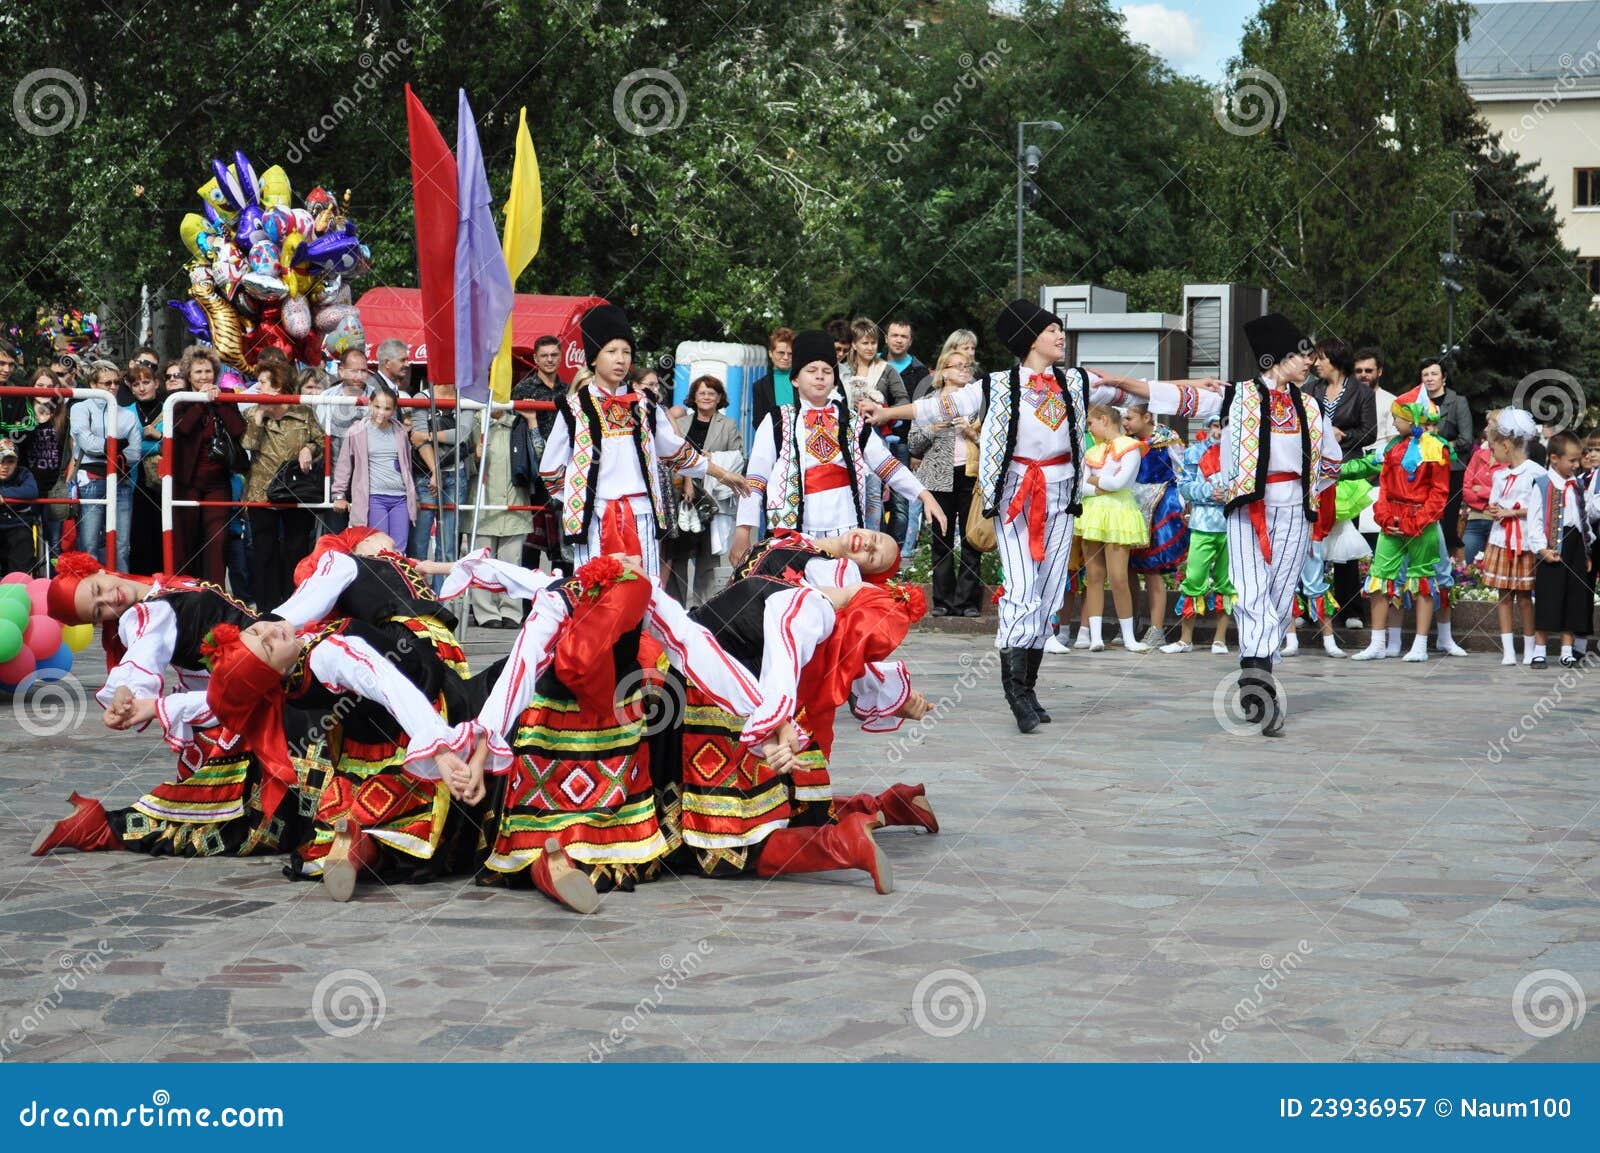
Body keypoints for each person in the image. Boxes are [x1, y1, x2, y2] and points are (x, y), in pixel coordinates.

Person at [863, 300, 1128, 734]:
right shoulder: (1000, 385)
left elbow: (1129, 390)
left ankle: (1030, 685)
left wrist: (1194, 388)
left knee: (1047, 595)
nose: (1061, 336)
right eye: (1052, 330)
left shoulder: (1075, 381)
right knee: (1022, 590)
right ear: (1030, 339)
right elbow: (938, 408)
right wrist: (888, 413)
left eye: (1061, 330)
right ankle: (1015, 694)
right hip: (1017, 497)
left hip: (1062, 498)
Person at [1109, 313, 1342, 738]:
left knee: (1277, 596)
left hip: (1294, 510)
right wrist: (1123, 383)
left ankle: (1257, 677)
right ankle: (1259, 691)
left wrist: (1309, 485)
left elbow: (1330, 462)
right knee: (1252, 594)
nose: (1309, 361)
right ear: (1275, 358)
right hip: (1248, 510)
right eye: (1300, 354)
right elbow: (1173, 399)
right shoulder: (1237, 398)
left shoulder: (1310, 406)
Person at [201, 616, 479, 901]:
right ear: (279, 671)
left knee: (371, 823)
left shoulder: (292, 671)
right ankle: (357, 847)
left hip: (366, 752)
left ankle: (353, 849)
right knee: (430, 825)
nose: (272, 631)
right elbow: (386, 681)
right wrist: (439, 748)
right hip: (416, 726)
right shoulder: (327, 654)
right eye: (269, 647)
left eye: (258, 628)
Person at [538, 304, 748, 580]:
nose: (620, 359)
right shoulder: (573, 408)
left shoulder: (645, 405)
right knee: (594, 595)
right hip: (595, 520)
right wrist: (580, 500)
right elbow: (551, 471)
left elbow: (677, 452)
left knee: (642, 592)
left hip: (643, 517)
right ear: (592, 359)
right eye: (611, 351)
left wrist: (722, 473)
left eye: (626, 352)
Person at [730, 329, 943, 570]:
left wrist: (923, 494)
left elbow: (886, 464)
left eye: (827, 371)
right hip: (793, 533)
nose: (820, 377)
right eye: (811, 371)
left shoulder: (852, 420)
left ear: (834, 378)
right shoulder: (777, 421)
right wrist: (743, 531)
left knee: (841, 595)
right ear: (795, 379)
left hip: (847, 531)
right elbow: (756, 480)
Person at [1344, 390, 1452, 663]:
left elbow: (1439, 494)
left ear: (1411, 417)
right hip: (1391, 523)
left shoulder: (1437, 449)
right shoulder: (1392, 448)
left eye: (1397, 418)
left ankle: (1420, 645)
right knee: (1379, 579)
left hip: (1421, 525)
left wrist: (1416, 522)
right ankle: (1377, 643)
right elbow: (1381, 485)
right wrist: (1384, 517)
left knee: (1423, 582)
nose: (1393, 424)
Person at [242, 360, 323, 611]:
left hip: (296, 489)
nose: (258, 387)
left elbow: (321, 441)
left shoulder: (304, 412)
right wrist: (258, 418)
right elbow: (248, 445)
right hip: (260, 490)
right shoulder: (252, 413)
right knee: (264, 552)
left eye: (264, 382)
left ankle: (293, 604)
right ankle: (266, 608)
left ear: (279, 385)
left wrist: (308, 449)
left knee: (296, 549)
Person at [910, 348, 983, 616]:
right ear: (944, 371)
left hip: (970, 475)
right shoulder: (928, 402)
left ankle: (967, 601)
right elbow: (913, 444)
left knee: (971, 539)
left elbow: (994, 442)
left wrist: (970, 433)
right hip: (937, 478)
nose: (965, 370)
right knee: (941, 540)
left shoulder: (979, 403)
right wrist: (931, 429)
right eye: (958, 366)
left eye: (968, 366)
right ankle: (942, 601)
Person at [1309, 338, 1376, 622]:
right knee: (1311, 541)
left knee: (1346, 541)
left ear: (1335, 359)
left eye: (1321, 358)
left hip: (1347, 472)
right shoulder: (1310, 389)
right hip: (1315, 473)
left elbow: (1369, 432)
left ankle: (1351, 609)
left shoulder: (1361, 392)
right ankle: (1311, 607)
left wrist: (1342, 435)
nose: (1315, 363)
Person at [170, 345, 247, 588]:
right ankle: (186, 591)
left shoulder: (225, 395)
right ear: (188, 376)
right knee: (187, 540)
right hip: (187, 481)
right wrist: (201, 401)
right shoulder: (179, 400)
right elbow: (182, 428)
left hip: (218, 481)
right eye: (198, 372)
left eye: (207, 371)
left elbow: (238, 430)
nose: (204, 377)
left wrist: (220, 402)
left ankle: (215, 594)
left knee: (217, 540)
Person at [1076, 404, 1149, 652]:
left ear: (1104, 420)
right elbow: (1081, 485)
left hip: (1119, 513)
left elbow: (1121, 482)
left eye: (1091, 423)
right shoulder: (1093, 452)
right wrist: (1098, 485)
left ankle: (1129, 636)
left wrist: (1096, 481)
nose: (1089, 428)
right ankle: (1095, 636)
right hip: (1094, 513)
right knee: (1094, 576)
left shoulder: (1130, 449)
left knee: (1119, 577)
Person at [666, 375, 743, 607]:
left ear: (719, 398)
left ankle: (704, 607)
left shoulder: (728, 425)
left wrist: (713, 459)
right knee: (678, 553)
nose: (707, 397)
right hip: (682, 497)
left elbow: (739, 456)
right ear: (694, 398)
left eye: (712, 393)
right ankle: (676, 607)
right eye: (702, 393)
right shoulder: (681, 424)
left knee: (707, 556)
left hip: (711, 499)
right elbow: (671, 458)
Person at [1163, 417, 1234, 654]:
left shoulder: (1239, 454)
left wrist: (1228, 495)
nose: (1218, 431)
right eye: (1215, 426)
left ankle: (1220, 639)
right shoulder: (1194, 453)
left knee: (1227, 581)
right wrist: (1206, 492)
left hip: (1231, 525)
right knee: (1194, 579)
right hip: (1203, 523)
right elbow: (1183, 485)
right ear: (1208, 428)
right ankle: (1185, 639)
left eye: (1223, 427)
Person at [1482, 408, 1544, 666]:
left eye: (1493, 447)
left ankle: (1529, 647)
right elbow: (1493, 503)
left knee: (1525, 596)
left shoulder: (1536, 473)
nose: (1491, 452)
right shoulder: (1499, 475)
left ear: (1506, 445)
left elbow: (1543, 508)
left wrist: (1514, 511)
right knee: (1504, 595)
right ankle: (1508, 649)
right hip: (1501, 539)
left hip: (1524, 541)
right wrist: (1496, 510)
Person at [842, 318, 911, 545]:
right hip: (844, 437)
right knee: (848, 493)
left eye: (873, 342)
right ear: (854, 344)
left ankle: (872, 546)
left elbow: (903, 402)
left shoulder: (886, 370)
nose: (870, 347)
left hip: (876, 436)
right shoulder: (843, 370)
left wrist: (882, 411)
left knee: (873, 494)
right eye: (864, 343)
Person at [1123, 401, 1187, 646]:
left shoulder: (1167, 438)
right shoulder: (1125, 442)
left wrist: (1181, 502)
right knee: (1127, 566)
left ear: (1147, 416)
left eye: (1130, 418)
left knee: (1152, 568)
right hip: (1132, 504)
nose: (1126, 423)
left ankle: (1157, 628)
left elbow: (1182, 471)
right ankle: (1131, 623)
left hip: (1159, 505)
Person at [464, 403, 534, 628]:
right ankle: (485, 611)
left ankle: (511, 610)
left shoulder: (518, 422)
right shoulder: (473, 422)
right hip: (483, 499)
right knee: (482, 559)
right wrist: (473, 457)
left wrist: (532, 421)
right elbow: (459, 463)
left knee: (511, 560)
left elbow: (536, 456)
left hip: (515, 499)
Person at [70, 360, 142, 572]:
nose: (113, 387)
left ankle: (122, 591)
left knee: (122, 545)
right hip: (91, 480)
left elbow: (134, 453)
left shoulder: (127, 415)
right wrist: (114, 447)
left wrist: (105, 449)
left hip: (121, 481)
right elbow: (86, 442)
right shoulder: (79, 408)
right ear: (93, 385)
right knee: (89, 543)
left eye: (116, 382)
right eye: (106, 383)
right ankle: (90, 592)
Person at [1531, 431, 1590, 668]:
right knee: (1548, 597)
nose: (1576, 465)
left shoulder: (1577, 484)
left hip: (1576, 545)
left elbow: (1582, 517)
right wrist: (1541, 548)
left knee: (1573, 597)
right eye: (1572, 461)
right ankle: (1540, 649)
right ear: (1554, 458)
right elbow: (1534, 521)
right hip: (1553, 546)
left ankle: (1567, 648)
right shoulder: (1543, 484)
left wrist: (1586, 549)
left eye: (1578, 460)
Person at [332, 385, 416, 549]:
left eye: (387, 408)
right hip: (373, 497)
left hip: (401, 498)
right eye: (377, 406)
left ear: (394, 410)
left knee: (400, 548)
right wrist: (339, 495)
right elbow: (344, 465)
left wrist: (414, 496)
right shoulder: (357, 431)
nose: (381, 412)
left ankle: (396, 575)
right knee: (379, 547)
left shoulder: (400, 432)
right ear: (369, 404)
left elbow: (407, 466)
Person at [1418, 358, 1473, 561]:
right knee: (1426, 521)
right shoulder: (1418, 404)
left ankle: (1455, 568)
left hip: (1451, 469)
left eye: (1434, 374)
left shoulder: (1458, 402)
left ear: (1444, 377)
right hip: (1423, 469)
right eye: (1425, 374)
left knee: (1448, 523)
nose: (1429, 378)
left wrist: (1438, 446)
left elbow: (1466, 440)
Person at [15, 370, 70, 570]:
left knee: (55, 538)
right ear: (32, 387)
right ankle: (29, 578)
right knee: (24, 534)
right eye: (40, 386)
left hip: (54, 483)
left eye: (49, 386)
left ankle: (55, 581)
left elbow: (69, 450)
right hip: (28, 483)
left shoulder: (62, 415)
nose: (44, 390)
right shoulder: (22, 412)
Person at [125, 362, 165, 575]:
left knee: (164, 536)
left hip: (165, 483)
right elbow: (128, 450)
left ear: (156, 383)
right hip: (136, 484)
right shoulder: (126, 412)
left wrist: (159, 440)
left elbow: (176, 445)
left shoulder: (171, 407)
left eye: (146, 382)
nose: (142, 388)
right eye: (136, 384)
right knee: (138, 538)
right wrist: (159, 444)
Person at [0, 438, 40, 573]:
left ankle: (17, 589)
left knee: (22, 540)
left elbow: (32, 491)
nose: (4, 466)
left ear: (17, 462)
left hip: (18, 526)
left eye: (10, 461)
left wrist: (3, 494)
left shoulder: (24, 473)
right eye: (0, 461)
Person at [750, 326, 796, 427]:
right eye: (781, 353)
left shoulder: (804, 381)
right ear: (770, 353)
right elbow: (758, 422)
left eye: (790, 354)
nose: (785, 357)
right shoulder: (759, 386)